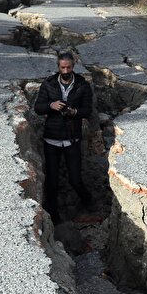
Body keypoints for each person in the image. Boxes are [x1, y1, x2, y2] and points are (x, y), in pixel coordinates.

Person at [33, 52, 94, 223]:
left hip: (72, 139)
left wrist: (74, 112)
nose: (65, 70)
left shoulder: (83, 85)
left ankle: (88, 202)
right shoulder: (49, 84)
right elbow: (38, 108)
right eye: (62, 67)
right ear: (58, 67)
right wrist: (51, 105)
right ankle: (54, 219)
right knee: (52, 182)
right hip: (51, 139)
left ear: (73, 66)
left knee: (75, 179)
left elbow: (87, 110)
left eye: (68, 67)